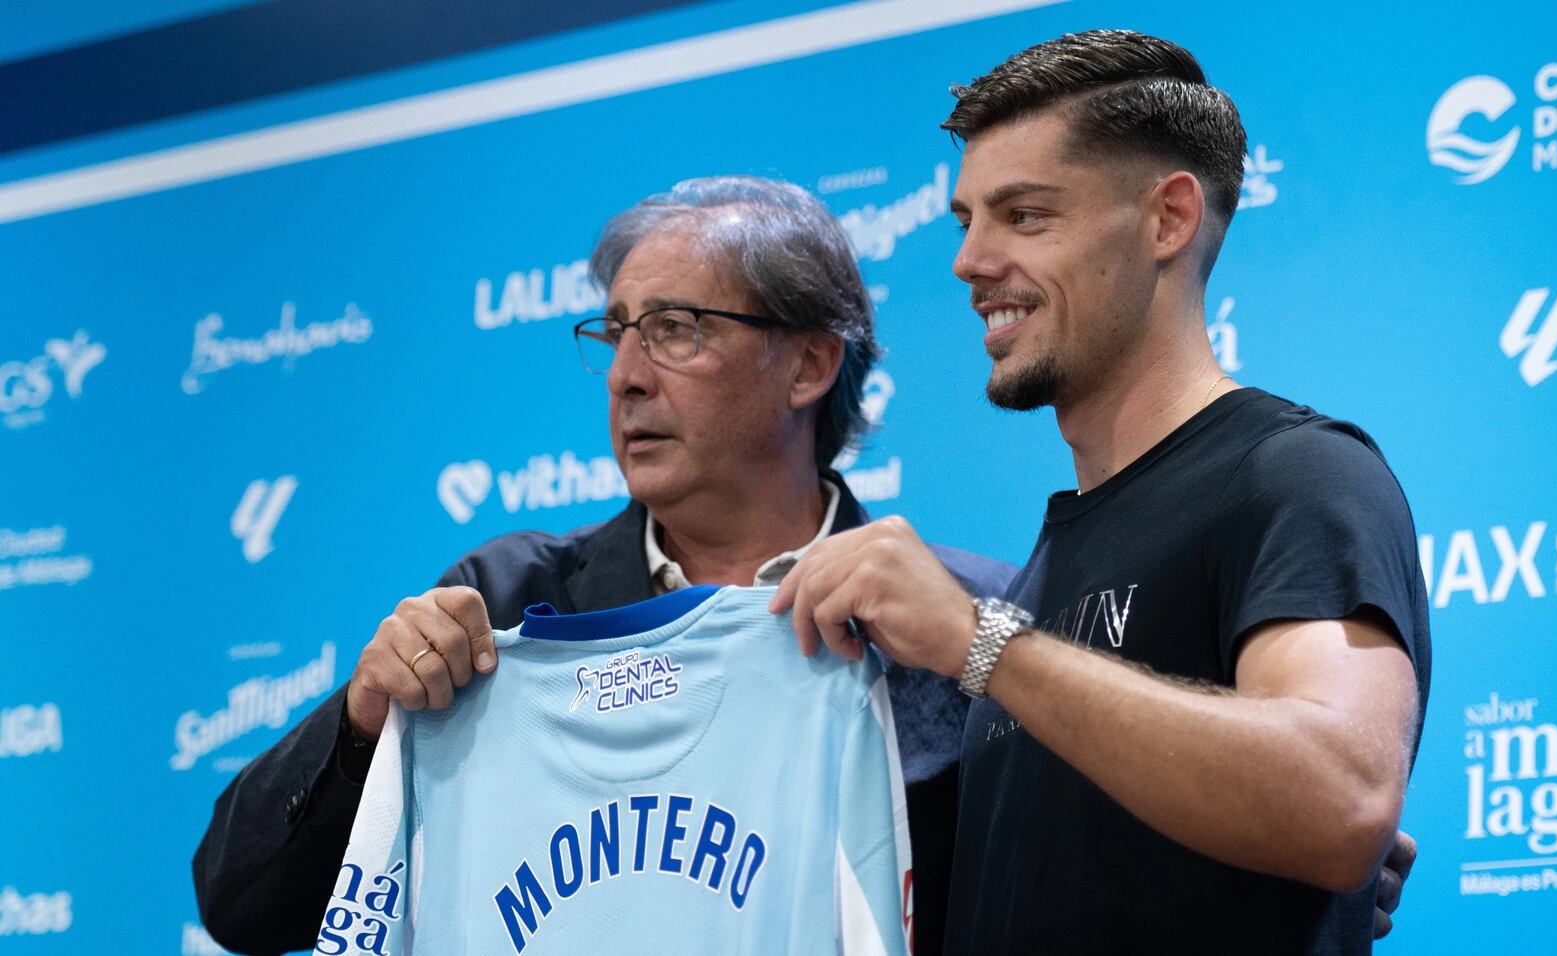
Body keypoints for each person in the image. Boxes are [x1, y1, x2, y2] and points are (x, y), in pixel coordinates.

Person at [191, 176, 1014, 956]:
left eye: (674, 329)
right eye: (617, 332)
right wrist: (365, 724)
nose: (626, 377)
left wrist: (982, 650)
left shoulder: (963, 621)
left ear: (808, 365)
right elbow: (241, 903)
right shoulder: (504, 605)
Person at [773, 30, 1432, 954]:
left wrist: (978, 640)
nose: (968, 260)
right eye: (966, 219)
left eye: (1026, 216)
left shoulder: (1295, 475)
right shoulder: (1046, 568)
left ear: (1167, 219)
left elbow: (1342, 796)